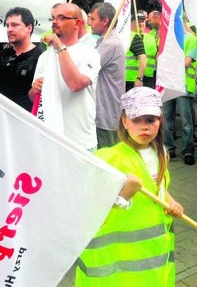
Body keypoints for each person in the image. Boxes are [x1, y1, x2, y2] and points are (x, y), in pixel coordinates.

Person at [75, 86, 184, 285]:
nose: (144, 127)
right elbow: (90, 208)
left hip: (152, 251)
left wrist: (170, 201)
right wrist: (124, 195)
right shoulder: (107, 160)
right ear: (124, 121)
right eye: (136, 120)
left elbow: (158, 188)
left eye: (151, 120)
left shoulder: (161, 154)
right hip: (119, 255)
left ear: (160, 120)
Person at [29, 2, 100, 151]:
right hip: (50, 139)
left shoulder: (90, 53)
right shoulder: (44, 57)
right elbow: (33, 98)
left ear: (77, 23)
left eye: (61, 17)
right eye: (53, 18)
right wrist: (34, 90)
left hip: (80, 142)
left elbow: (76, 84)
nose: (55, 22)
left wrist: (59, 46)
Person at [89, 2, 125, 148]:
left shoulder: (110, 44)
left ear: (105, 21)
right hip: (105, 111)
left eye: (93, 19)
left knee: (107, 160)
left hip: (105, 112)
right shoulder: (107, 42)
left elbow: (86, 67)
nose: (89, 23)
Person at [163, 26, 197, 165]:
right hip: (168, 84)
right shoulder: (166, 39)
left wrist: (168, 62)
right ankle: (168, 149)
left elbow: (187, 62)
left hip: (183, 85)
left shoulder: (190, 39)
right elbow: (158, 59)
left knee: (186, 121)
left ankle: (188, 150)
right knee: (166, 120)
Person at [125, 15, 147, 92]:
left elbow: (143, 59)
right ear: (131, 23)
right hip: (120, 80)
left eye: (142, 21)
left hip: (130, 81)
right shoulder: (126, 36)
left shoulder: (135, 37)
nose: (141, 24)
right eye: (138, 22)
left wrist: (139, 79)